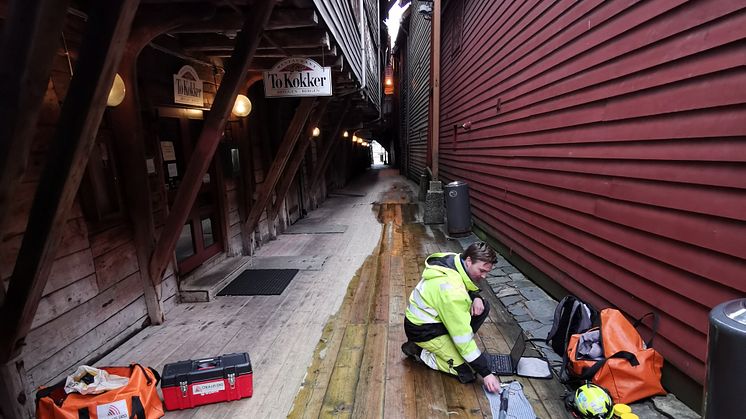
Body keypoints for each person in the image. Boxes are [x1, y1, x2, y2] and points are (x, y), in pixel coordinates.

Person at [401, 241, 501, 393]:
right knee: (467, 372)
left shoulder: (454, 260)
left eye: (487, 272)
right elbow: (464, 342)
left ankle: (450, 345)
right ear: (469, 261)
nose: (484, 276)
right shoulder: (452, 292)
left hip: (432, 320)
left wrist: (475, 296)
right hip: (424, 332)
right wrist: (486, 373)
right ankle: (419, 351)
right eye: (481, 270)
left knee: (483, 306)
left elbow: (465, 283)